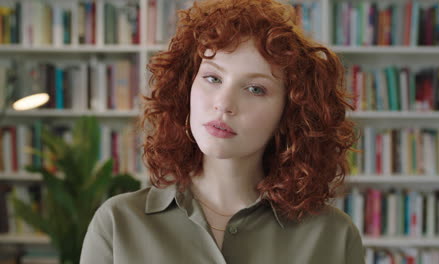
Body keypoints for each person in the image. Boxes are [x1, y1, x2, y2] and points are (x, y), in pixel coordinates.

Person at [80, 0, 365, 263]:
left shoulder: (334, 236)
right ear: (186, 87)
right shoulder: (118, 223)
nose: (224, 104)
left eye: (255, 89)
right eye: (212, 78)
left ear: (290, 112)